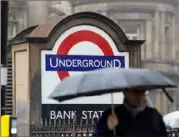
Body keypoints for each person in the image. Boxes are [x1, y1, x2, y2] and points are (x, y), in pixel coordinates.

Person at [93, 88, 167, 137]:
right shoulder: (111, 115)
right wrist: (108, 128)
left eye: (143, 91)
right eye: (136, 92)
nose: (140, 96)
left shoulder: (154, 115)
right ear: (125, 92)